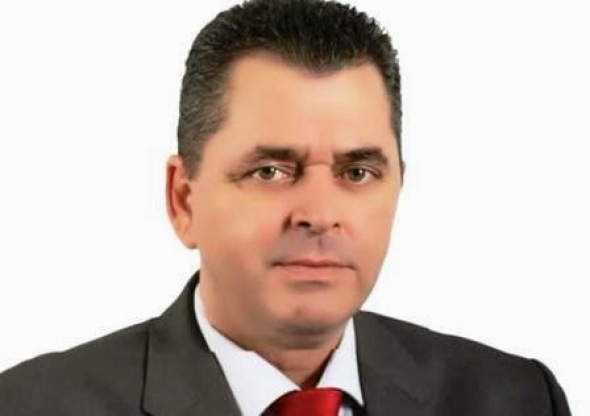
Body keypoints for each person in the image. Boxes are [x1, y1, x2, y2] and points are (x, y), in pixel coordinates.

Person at [0, 0, 571, 415]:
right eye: (270, 171)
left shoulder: (513, 398)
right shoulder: (31, 406)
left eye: (357, 172)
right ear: (183, 200)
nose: (319, 214)